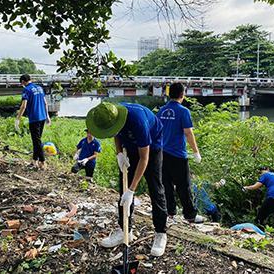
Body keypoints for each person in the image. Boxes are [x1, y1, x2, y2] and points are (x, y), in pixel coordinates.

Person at [86, 101, 168, 257]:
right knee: (123, 191)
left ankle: (160, 233)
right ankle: (125, 230)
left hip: (152, 148)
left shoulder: (138, 120)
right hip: (129, 147)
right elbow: (115, 133)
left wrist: (132, 190)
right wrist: (119, 154)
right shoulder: (111, 116)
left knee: (155, 188)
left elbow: (144, 158)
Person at [157, 82, 205, 223]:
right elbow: (188, 133)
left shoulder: (161, 111)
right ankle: (190, 215)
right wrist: (196, 152)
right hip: (178, 155)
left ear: (169, 94)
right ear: (182, 95)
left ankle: (169, 213)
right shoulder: (183, 111)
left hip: (162, 154)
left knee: (166, 185)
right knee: (184, 186)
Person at [15, 74, 51, 169]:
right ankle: (34, 161)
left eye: (21, 83)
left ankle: (42, 161)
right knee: (37, 140)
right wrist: (47, 116)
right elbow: (45, 103)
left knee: (36, 141)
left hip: (34, 118)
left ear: (23, 81)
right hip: (42, 117)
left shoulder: (26, 90)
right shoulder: (39, 88)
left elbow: (23, 106)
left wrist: (18, 119)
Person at [243, 166, 274, 233]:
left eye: (260, 172)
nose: (260, 174)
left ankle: (257, 232)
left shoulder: (265, 175)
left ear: (265, 171)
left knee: (260, 217)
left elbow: (256, 186)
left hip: (273, 197)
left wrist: (246, 187)